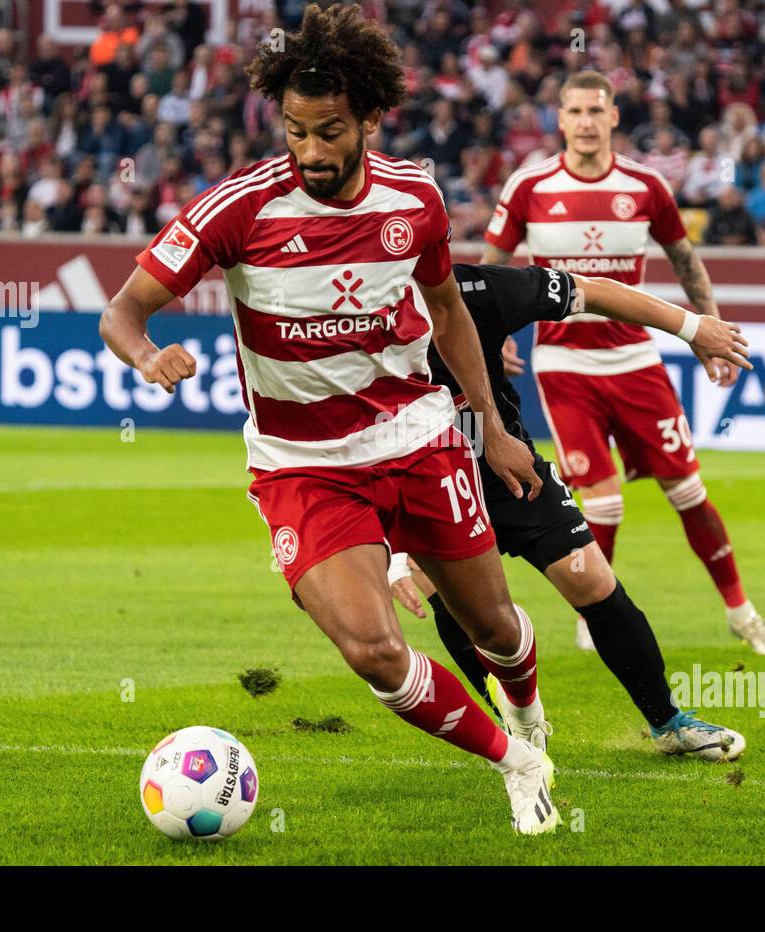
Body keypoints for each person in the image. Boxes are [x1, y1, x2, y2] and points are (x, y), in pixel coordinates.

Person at [100, 4, 558, 834]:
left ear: (371, 120)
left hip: (419, 439)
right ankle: (514, 761)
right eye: (296, 130)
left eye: (329, 131)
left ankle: (527, 712)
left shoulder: (415, 198)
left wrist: (488, 423)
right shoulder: (237, 210)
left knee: (494, 626)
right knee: (376, 652)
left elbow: (449, 309)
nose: (310, 151)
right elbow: (123, 312)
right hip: (301, 464)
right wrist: (145, 356)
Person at [390, 261, 757, 759]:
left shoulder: (478, 287)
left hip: (508, 466)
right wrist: (392, 550)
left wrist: (694, 327)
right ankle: (516, 738)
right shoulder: (353, 304)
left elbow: (595, 291)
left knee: (593, 582)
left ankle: (667, 722)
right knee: (465, 608)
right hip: (420, 479)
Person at [482, 69, 765, 657]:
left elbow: (686, 261)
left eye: (597, 111)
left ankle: (740, 611)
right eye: (575, 112)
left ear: (615, 116)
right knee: (602, 500)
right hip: (565, 362)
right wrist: (494, 337)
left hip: (637, 360)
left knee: (689, 493)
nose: (587, 123)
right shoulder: (530, 185)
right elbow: (491, 266)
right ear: (561, 120)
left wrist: (707, 332)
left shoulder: (646, 186)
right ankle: (595, 614)